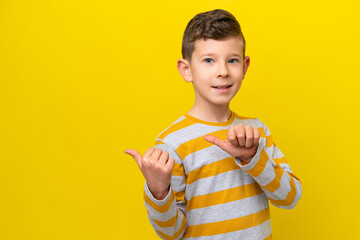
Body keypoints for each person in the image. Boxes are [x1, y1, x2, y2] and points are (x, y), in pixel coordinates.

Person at [125, 9, 302, 240]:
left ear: (245, 67)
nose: (223, 71)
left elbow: (290, 198)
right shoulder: (172, 143)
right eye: (209, 60)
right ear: (186, 70)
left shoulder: (257, 131)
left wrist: (253, 158)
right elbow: (172, 233)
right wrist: (159, 192)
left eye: (232, 60)